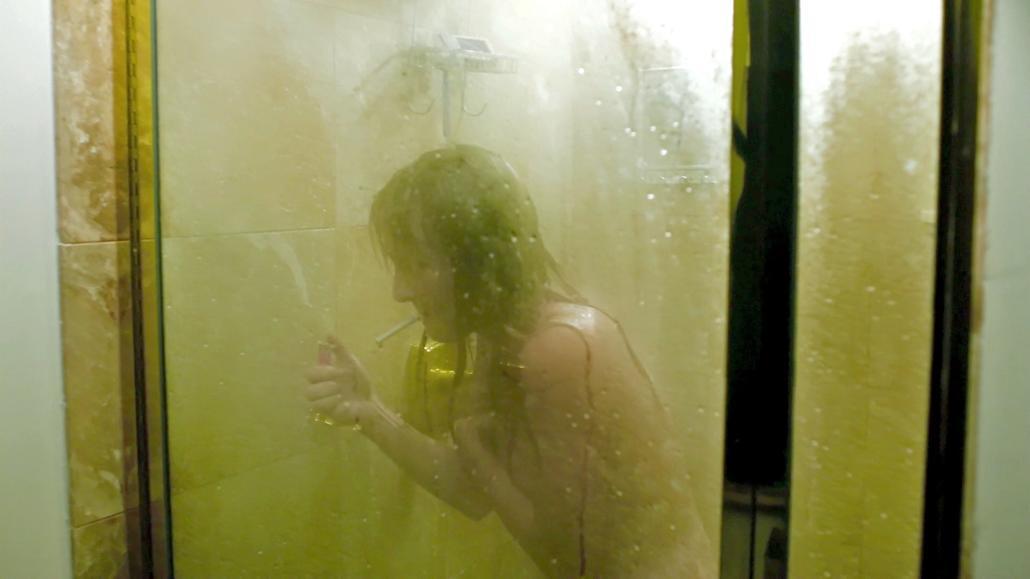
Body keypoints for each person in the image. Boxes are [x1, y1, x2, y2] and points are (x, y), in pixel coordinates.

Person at [303, 144, 715, 578]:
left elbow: (567, 553)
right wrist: (369, 412)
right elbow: (472, 492)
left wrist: (475, 450)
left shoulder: (558, 349)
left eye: (418, 265)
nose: (400, 292)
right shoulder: (507, 336)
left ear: (477, 261)